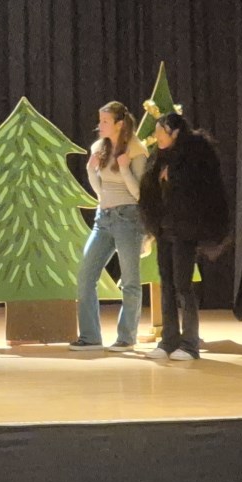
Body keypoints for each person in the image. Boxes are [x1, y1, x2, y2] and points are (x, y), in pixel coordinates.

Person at [137, 112, 230, 361]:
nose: (157, 137)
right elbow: (150, 190)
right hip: (165, 229)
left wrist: (174, 179)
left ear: (175, 132)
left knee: (183, 286)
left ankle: (190, 344)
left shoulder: (196, 154)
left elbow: (202, 190)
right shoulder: (159, 158)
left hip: (185, 230)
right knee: (166, 284)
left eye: (162, 132)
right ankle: (168, 340)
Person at [69, 102, 149, 352]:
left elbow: (138, 194)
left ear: (119, 124)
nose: (100, 125)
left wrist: (124, 168)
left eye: (105, 121)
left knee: (130, 281)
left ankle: (126, 337)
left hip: (128, 218)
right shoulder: (99, 147)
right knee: (85, 277)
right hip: (102, 219)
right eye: (100, 120)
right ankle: (90, 337)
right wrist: (90, 170)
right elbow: (100, 190)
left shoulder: (136, 150)